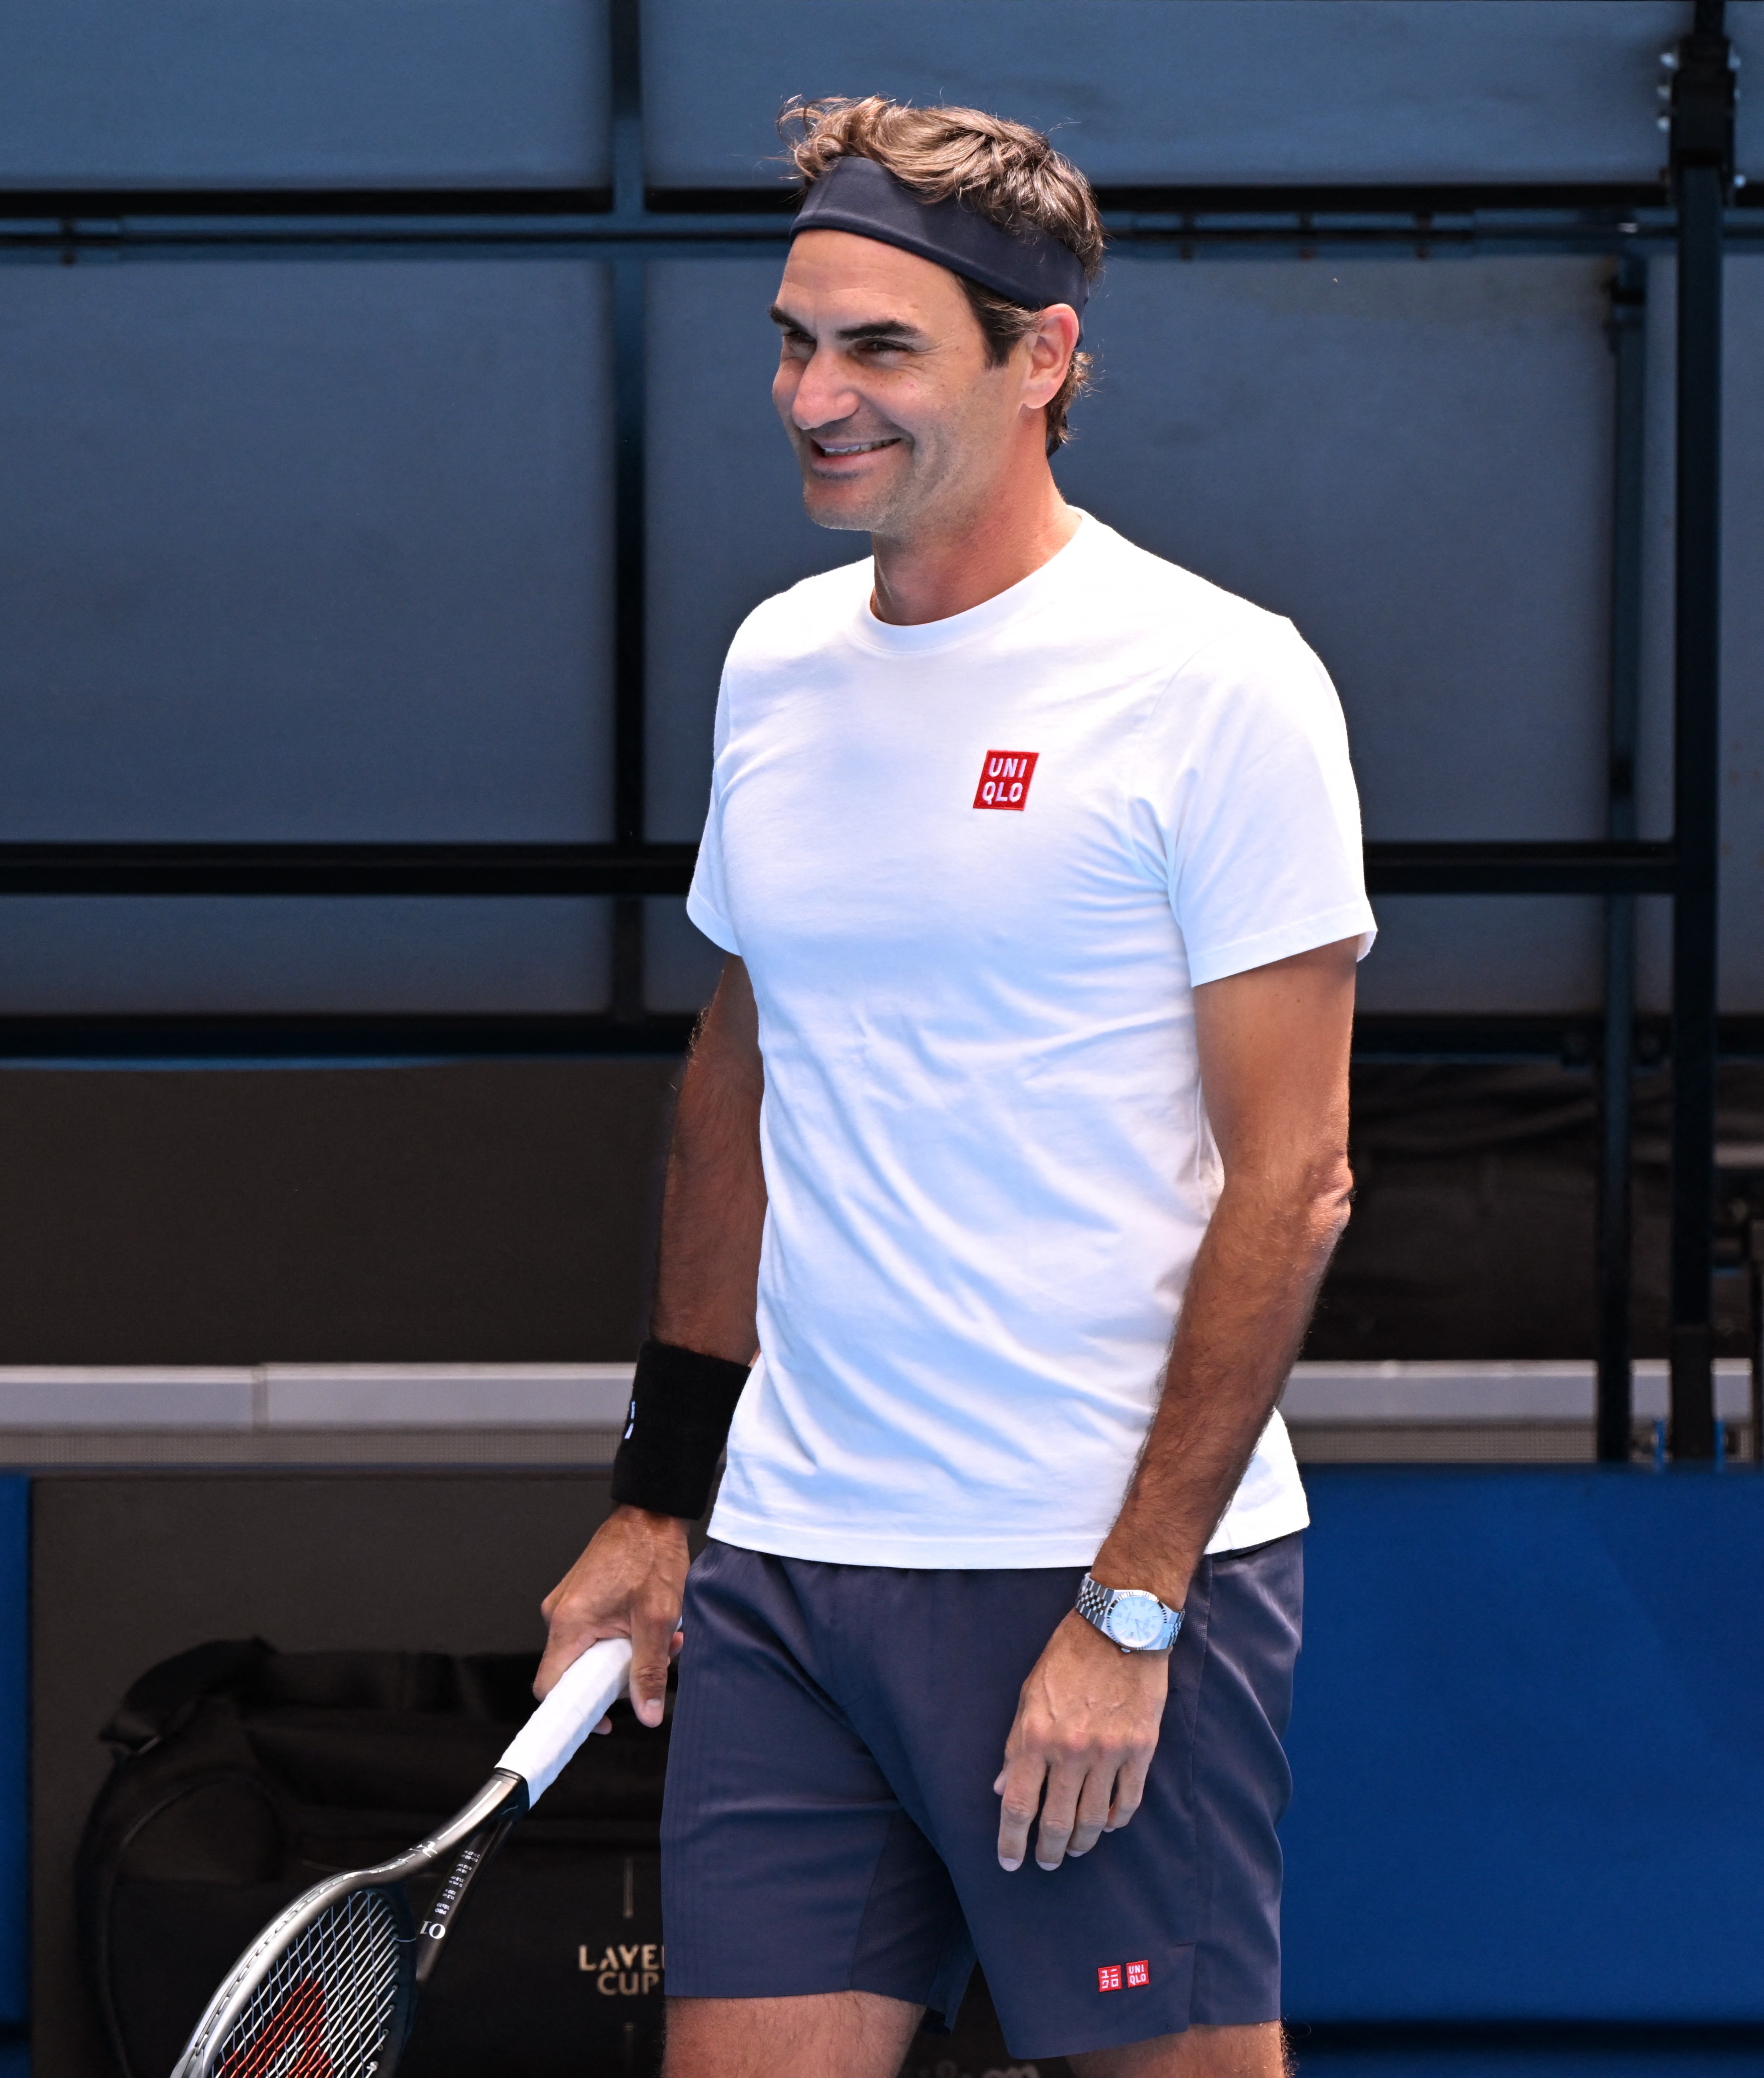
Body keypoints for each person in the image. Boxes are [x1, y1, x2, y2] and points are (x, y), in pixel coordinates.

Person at [536, 97, 1366, 2078]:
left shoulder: (1221, 682)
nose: (815, 397)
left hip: (1093, 1577)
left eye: (880, 350)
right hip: (790, 1572)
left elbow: (1296, 1179)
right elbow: (740, 1077)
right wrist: (661, 1494)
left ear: (1041, 357)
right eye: (795, 342)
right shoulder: (773, 665)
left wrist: (1135, 1606)